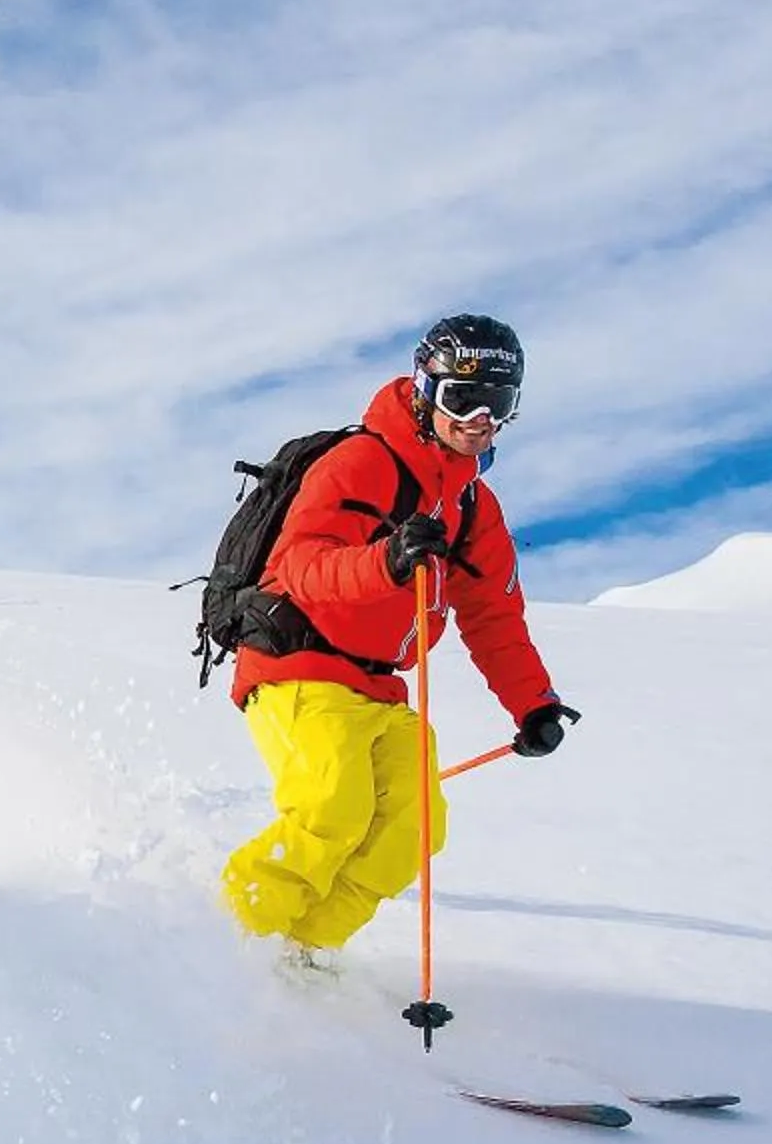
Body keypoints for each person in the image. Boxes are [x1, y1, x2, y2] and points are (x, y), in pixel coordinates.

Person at [220, 315, 577, 962]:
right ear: (425, 391)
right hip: (297, 663)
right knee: (331, 808)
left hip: (377, 688)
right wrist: (384, 561)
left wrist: (533, 704)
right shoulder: (361, 462)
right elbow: (299, 565)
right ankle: (227, 940)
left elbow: (494, 617)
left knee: (414, 828)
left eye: (498, 404)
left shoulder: (473, 507)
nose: (480, 420)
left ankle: (301, 955)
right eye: (462, 399)